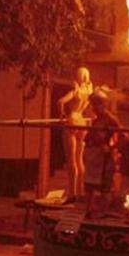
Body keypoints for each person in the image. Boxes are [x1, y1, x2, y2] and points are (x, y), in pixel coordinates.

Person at [83, 88, 126, 218]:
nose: (94, 108)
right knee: (89, 186)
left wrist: (111, 148)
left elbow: (125, 136)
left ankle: (102, 214)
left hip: (104, 160)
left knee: (104, 187)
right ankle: (89, 212)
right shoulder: (96, 120)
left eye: (96, 105)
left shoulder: (110, 119)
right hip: (92, 158)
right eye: (93, 105)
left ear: (103, 104)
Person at [57, 66, 94, 204]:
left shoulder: (75, 91)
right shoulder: (89, 92)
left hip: (72, 121)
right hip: (82, 122)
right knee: (80, 159)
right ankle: (81, 191)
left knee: (71, 159)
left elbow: (60, 102)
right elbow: (90, 110)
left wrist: (62, 115)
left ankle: (72, 193)